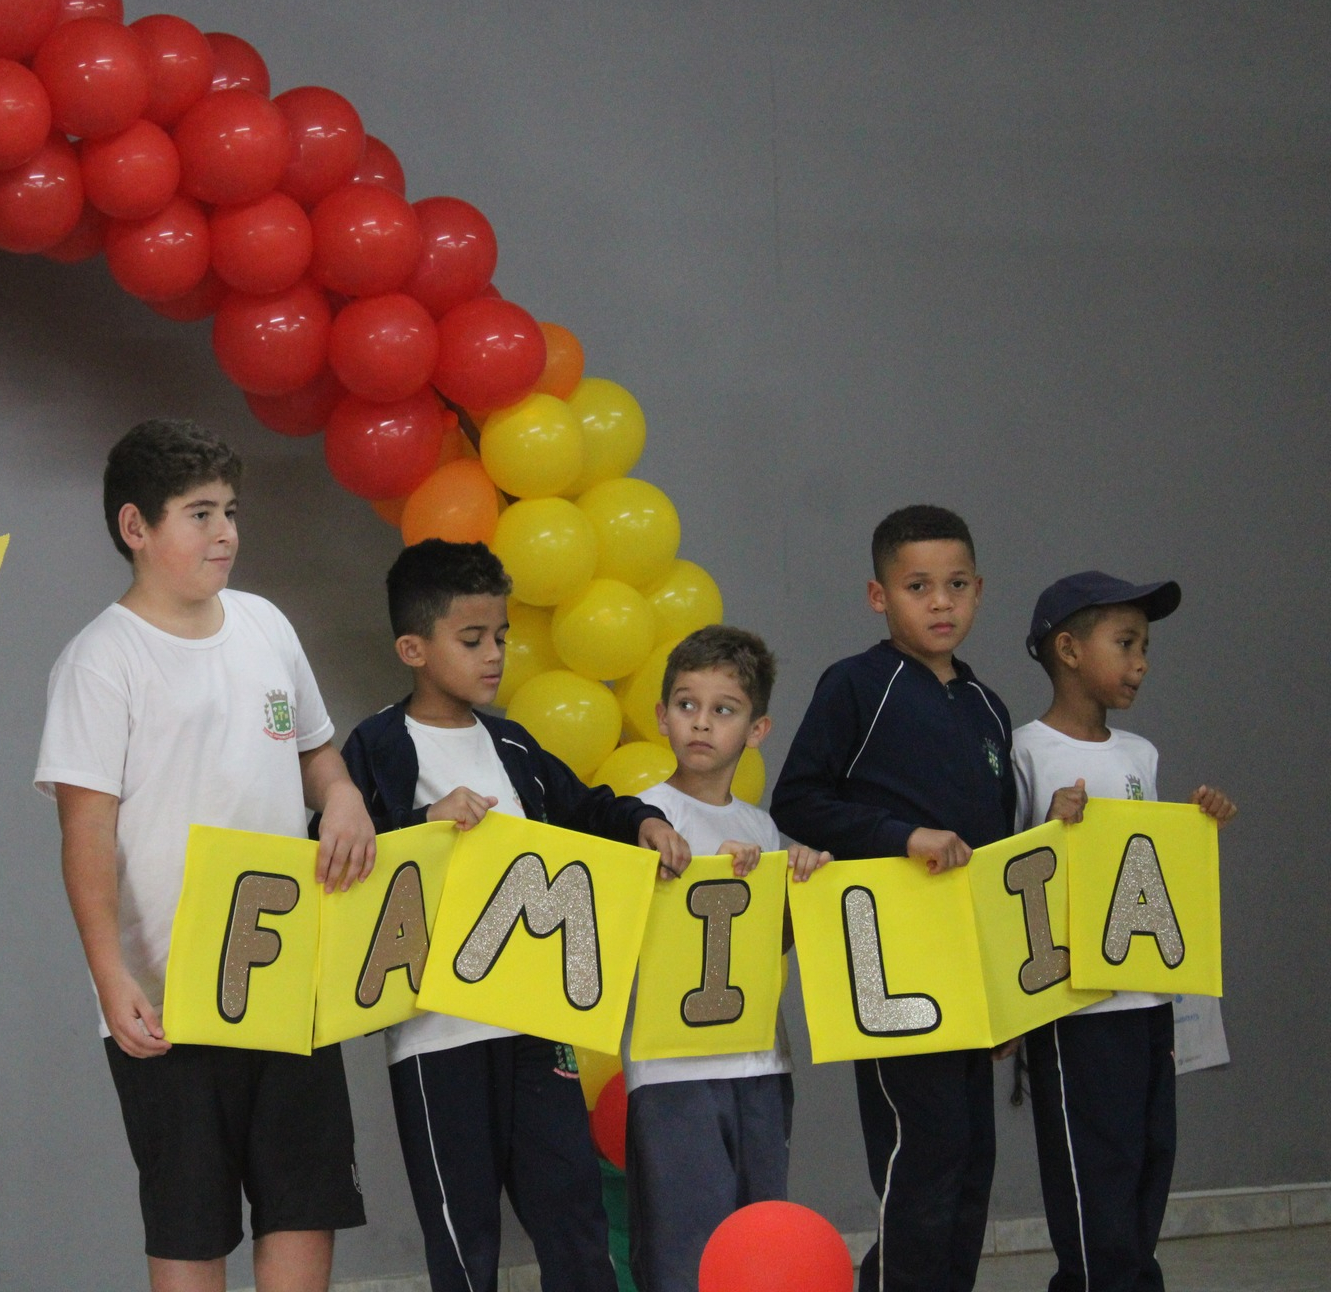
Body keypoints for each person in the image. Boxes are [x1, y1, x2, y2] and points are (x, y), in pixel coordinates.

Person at [34, 419, 378, 1292]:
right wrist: (112, 976)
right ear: (135, 528)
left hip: (284, 974)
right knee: (189, 1216)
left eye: (229, 510)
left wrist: (340, 796)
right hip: (169, 992)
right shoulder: (99, 661)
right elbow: (86, 835)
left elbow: (313, 752)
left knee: (304, 1198)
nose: (225, 532)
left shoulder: (264, 625)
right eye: (199, 514)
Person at [337, 540, 691, 1292]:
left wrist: (642, 823)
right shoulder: (374, 746)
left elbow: (587, 807)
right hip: (435, 1037)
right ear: (413, 648)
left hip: (537, 1029)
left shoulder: (513, 744)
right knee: (463, 1239)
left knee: (573, 1218)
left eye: (500, 636)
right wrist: (424, 819)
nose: (494, 654)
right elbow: (335, 855)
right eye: (472, 640)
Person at [770, 504, 1016, 1292]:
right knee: (924, 1148)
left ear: (978, 590)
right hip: (888, 968)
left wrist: (1004, 993)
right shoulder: (856, 685)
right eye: (917, 587)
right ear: (880, 597)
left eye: (953, 586)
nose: (939, 603)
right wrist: (898, 835)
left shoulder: (986, 707)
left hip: (968, 968)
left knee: (973, 1152)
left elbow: (997, 855)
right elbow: (798, 801)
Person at [1014, 572, 1238, 1292]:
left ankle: (1132, 1279)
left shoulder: (1139, 755)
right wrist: (1050, 826)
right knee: (1092, 1162)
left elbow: (1145, 867)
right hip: (1075, 1007)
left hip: (1147, 1001)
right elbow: (1009, 871)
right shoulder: (1025, 750)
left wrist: (1197, 820)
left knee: (1146, 1156)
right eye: (1126, 643)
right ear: (1068, 649)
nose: (1140, 661)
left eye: (1144, 646)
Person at [619, 625, 829, 1292]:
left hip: (760, 1061)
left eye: (723, 710)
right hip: (673, 1067)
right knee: (686, 1246)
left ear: (756, 729)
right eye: (685, 705)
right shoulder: (644, 815)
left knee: (758, 1238)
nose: (700, 724)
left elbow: (767, 947)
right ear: (660, 715)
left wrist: (797, 890)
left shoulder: (760, 827)